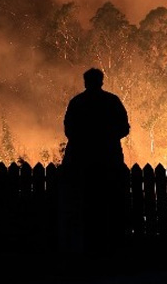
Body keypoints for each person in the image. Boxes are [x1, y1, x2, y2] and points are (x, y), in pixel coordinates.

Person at [59, 68, 130, 257]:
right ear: (101, 81)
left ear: (85, 82)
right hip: (109, 161)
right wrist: (106, 138)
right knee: (109, 209)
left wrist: (84, 141)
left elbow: (69, 130)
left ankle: (83, 253)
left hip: (81, 163)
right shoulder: (112, 101)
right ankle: (110, 252)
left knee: (82, 210)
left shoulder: (77, 103)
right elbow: (124, 128)